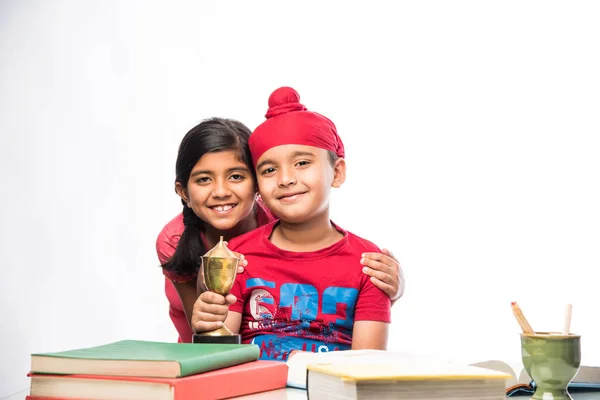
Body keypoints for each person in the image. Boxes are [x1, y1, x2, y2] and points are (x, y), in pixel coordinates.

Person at [157, 117, 404, 343]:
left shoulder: (284, 209)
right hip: (199, 348)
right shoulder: (175, 239)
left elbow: (365, 366)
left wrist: (393, 287)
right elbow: (209, 333)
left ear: (256, 185)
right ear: (183, 192)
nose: (221, 191)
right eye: (204, 179)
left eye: (236, 176)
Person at [191, 87, 392, 360]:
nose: (285, 179)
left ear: (337, 172)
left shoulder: (369, 264)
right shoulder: (237, 257)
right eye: (270, 170)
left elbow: (367, 368)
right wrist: (207, 323)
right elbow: (220, 358)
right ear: (258, 186)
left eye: (301, 163)